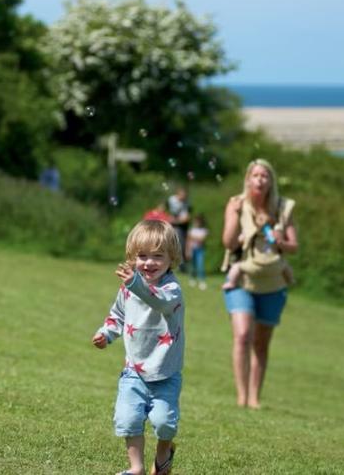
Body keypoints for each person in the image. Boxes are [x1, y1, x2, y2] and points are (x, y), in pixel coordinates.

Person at [92, 219, 184, 475]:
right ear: (133, 257)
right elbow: (117, 316)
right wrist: (106, 334)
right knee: (128, 419)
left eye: (157, 256)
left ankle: (165, 450)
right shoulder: (129, 288)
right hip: (133, 371)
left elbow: (159, 302)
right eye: (142, 256)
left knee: (164, 423)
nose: (148, 262)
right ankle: (137, 468)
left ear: (171, 258)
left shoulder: (171, 289)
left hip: (165, 374)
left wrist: (136, 284)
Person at [221, 159, 298, 409]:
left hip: (273, 282)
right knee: (243, 335)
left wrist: (280, 241)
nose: (260, 179)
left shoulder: (283, 208)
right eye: (256, 175)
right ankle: (241, 396)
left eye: (265, 175)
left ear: (271, 181)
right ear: (248, 179)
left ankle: (255, 397)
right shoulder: (237, 204)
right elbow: (228, 243)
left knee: (261, 342)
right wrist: (234, 216)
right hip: (242, 278)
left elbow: (293, 247)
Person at [166, 187, 190, 272]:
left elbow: (186, 218)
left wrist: (177, 220)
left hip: (180, 227)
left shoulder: (186, 202)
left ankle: (180, 265)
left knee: (181, 245)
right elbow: (171, 214)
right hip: (172, 226)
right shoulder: (172, 200)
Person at [185, 214, 209, 290]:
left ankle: (202, 281)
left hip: (200, 250)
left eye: (198, 222)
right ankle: (192, 279)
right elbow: (188, 241)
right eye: (195, 222)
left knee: (200, 265)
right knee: (192, 265)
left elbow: (201, 239)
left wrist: (193, 237)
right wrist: (187, 250)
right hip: (192, 249)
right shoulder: (191, 230)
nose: (196, 223)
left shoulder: (204, 230)